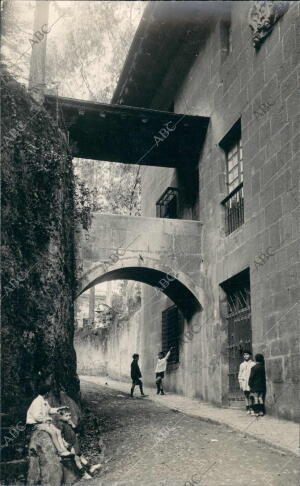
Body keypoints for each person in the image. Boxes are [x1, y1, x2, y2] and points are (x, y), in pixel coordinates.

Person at [26, 382, 72, 457]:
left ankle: (63, 449)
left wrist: (59, 409)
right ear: (46, 393)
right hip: (34, 424)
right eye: (49, 392)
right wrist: (46, 420)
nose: (50, 394)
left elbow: (49, 410)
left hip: (42, 423)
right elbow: (37, 416)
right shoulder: (37, 401)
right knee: (52, 432)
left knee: (58, 431)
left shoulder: (44, 401)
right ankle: (60, 451)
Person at [238, 350, 255, 414]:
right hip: (244, 382)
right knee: (246, 395)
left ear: (250, 355)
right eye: (244, 355)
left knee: (251, 395)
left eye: (247, 354)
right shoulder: (242, 364)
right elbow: (240, 374)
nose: (246, 356)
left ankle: (252, 408)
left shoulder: (253, 364)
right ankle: (247, 408)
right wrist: (240, 383)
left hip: (251, 382)